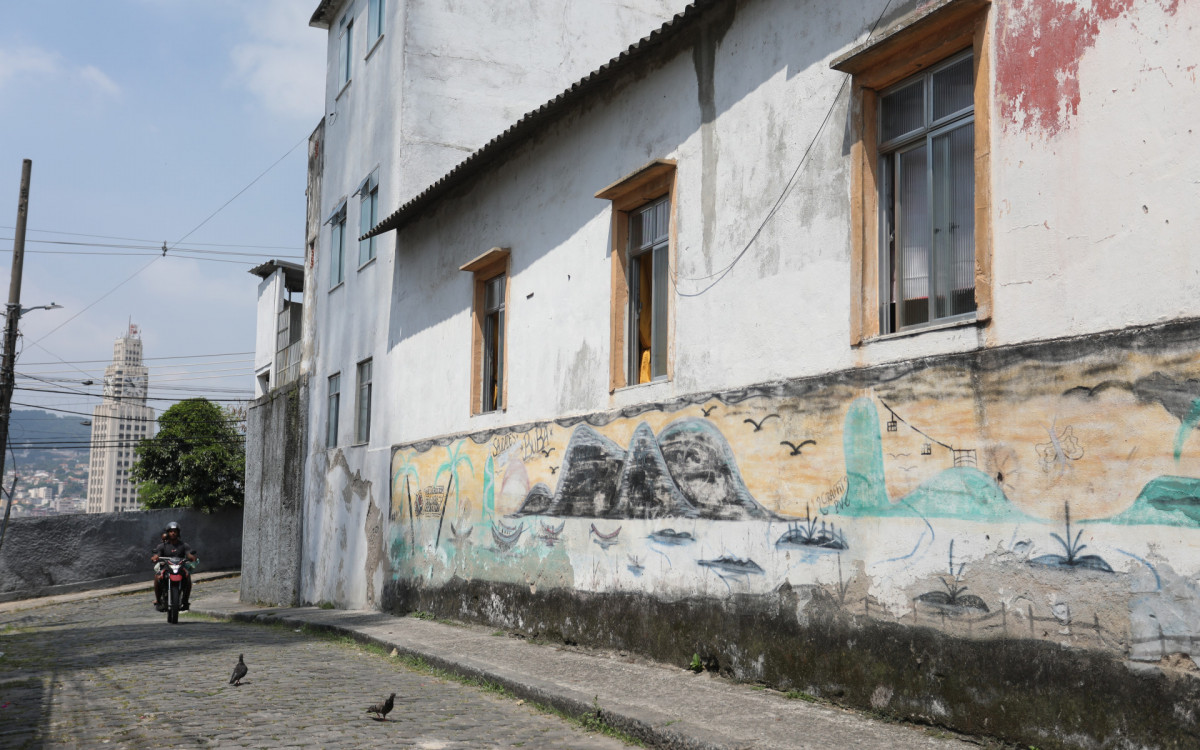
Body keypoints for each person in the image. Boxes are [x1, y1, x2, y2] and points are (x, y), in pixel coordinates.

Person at [152, 521, 198, 611]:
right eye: (171, 531)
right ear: (167, 533)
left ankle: (185, 601)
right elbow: (157, 554)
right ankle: (158, 600)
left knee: (188, 577)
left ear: (178, 533)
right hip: (166, 567)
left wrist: (192, 557)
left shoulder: (183, 545)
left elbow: (188, 553)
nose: (173, 533)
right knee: (157, 577)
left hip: (180, 567)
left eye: (175, 531)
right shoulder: (162, 546)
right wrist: (155, 557)